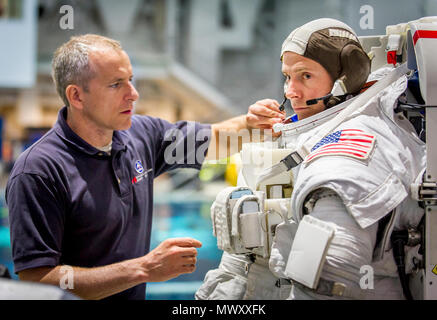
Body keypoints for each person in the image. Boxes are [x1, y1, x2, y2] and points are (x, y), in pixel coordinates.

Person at [5, 34, 284, 300]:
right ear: (77, 96)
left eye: (130, 80)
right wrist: (143, 269)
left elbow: (215, 140)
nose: (133, 94)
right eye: (116, 84)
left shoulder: (142, 135)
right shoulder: (38, 171)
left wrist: (251, 124)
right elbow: (37, 280)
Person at [196, 18, 425, 300]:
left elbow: (329, 281)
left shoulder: (348, 154)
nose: (289, 91)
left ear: (347, 76)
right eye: (287, 76)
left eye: (305, 76)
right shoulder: (296, 139)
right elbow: (241, 260)